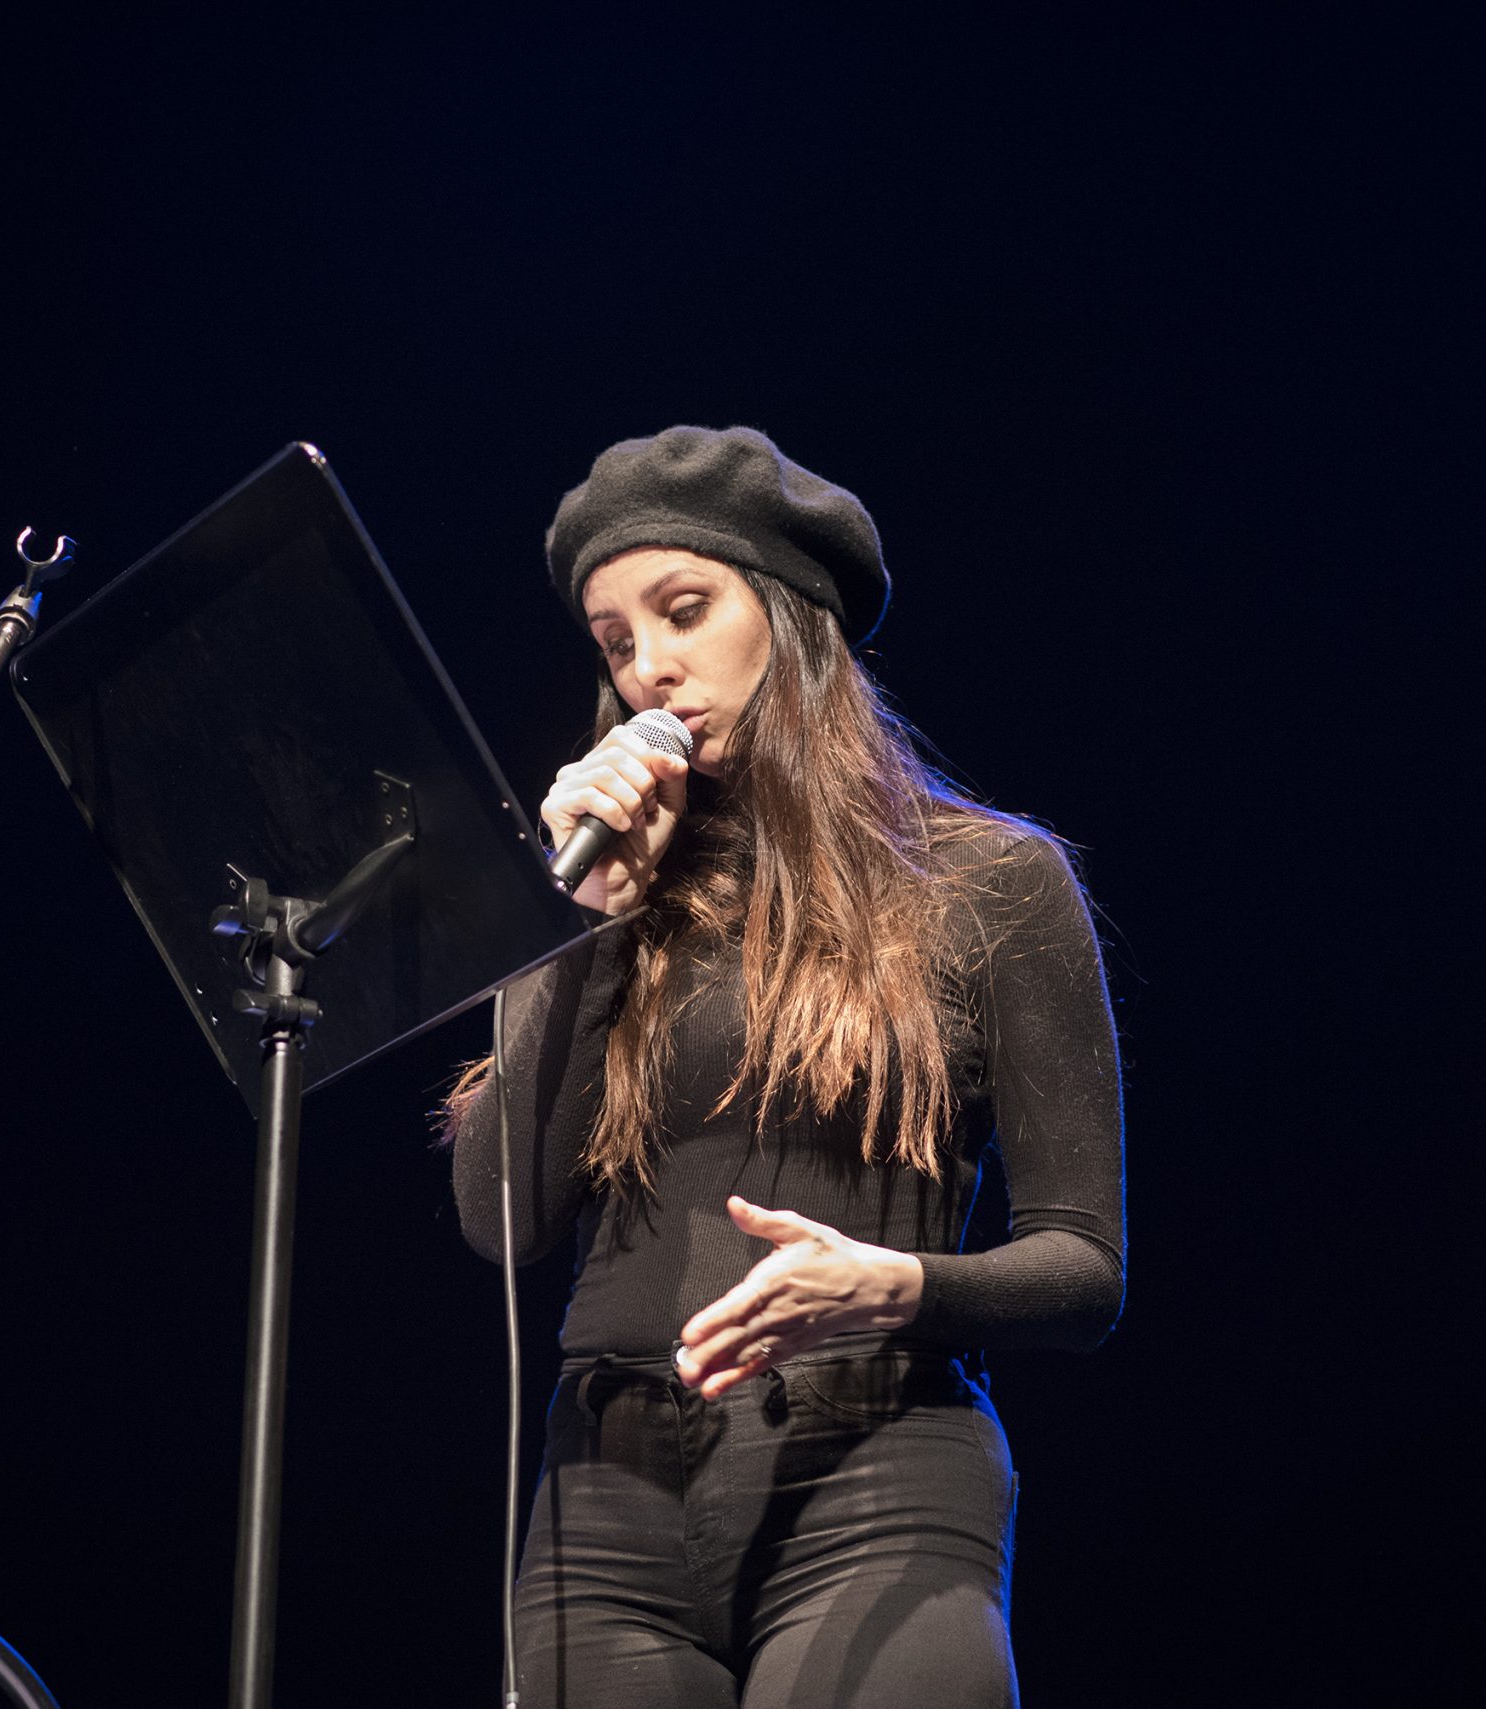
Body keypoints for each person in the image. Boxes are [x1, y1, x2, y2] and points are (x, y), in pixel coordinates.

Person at [445, 425, 1124, 1708]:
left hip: (877, 1468)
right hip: (605, 1504)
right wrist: (580, 926)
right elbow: (501, 1219)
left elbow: (1084, 1266)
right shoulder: (604, 903)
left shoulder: (987, 880)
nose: (649, 667)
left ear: (789, 611)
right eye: (615, 641)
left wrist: (896, 1283)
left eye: (683, 610)